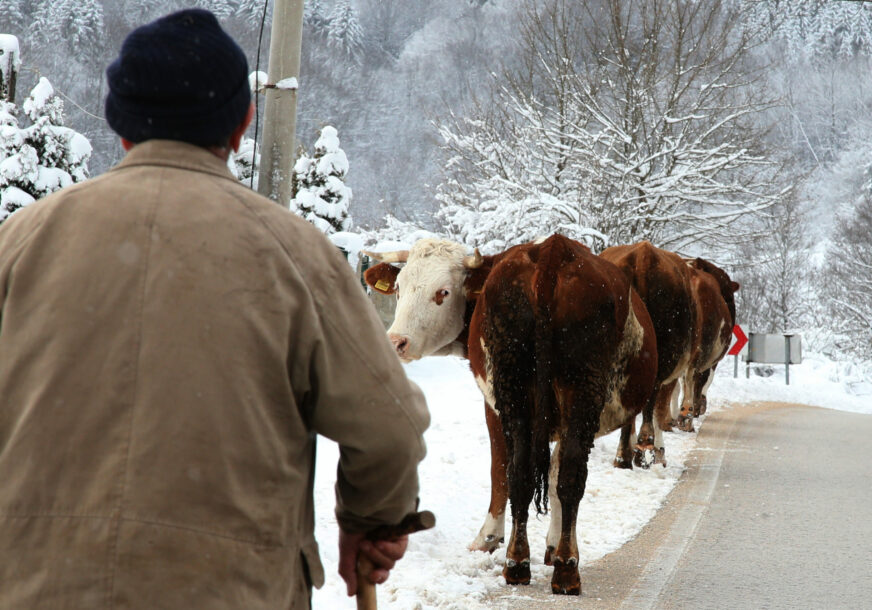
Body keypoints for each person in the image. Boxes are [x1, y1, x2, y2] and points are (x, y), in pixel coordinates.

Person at [0, 9, 429, 609]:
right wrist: (371, 521)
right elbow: (390, 429)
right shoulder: (293, 253)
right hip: (230, 590)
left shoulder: (20, 242)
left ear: (120, 125)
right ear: (243, 122)